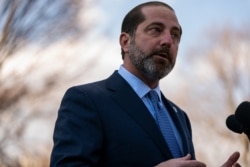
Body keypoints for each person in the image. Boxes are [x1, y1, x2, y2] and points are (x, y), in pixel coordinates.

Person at [50, 1, 241, 167]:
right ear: (126, 42)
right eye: (156, 30)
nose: (168, 41)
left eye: (175, 35)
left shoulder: (180, 116)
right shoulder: (87, 100)